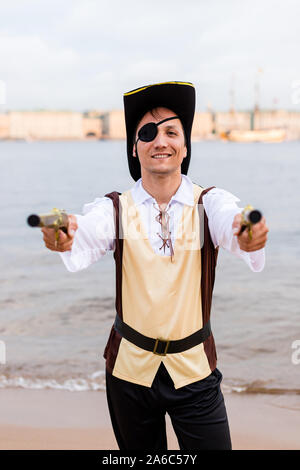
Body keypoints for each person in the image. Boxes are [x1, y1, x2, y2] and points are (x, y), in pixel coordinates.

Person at [41, 81, 269, 450]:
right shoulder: (115, 208)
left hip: (195, 371)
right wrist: (63, 235)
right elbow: (84, 231)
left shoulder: (209, 202)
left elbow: (233, 221)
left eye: (171, 132)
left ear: (184, 146)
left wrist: (248, 235)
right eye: (147, 133)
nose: (160, 141)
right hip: (129, 373)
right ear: (135, 147)